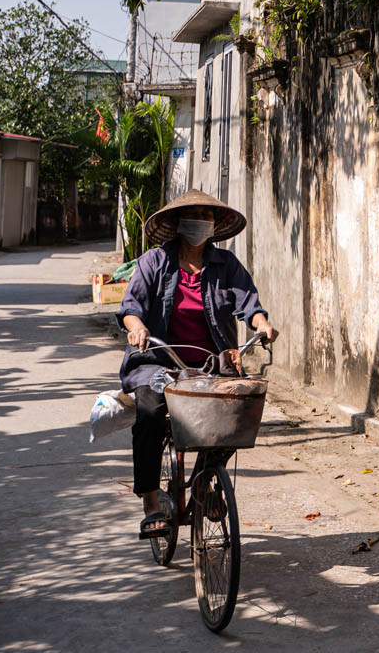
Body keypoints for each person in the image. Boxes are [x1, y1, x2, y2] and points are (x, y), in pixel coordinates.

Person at [115, 189, 278, 539]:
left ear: (214, 225)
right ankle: (151, 502)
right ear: (176, 223)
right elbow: (131, 307)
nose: (200, 222)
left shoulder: (227, 265)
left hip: (210, 364)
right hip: (158, 361)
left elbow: (249, 303)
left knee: (237, 411)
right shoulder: (153, 262)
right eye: (194, 216)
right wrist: (137, 327)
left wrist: (262, 324)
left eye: (207, 216)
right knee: (150, 413)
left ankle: (205, 482)